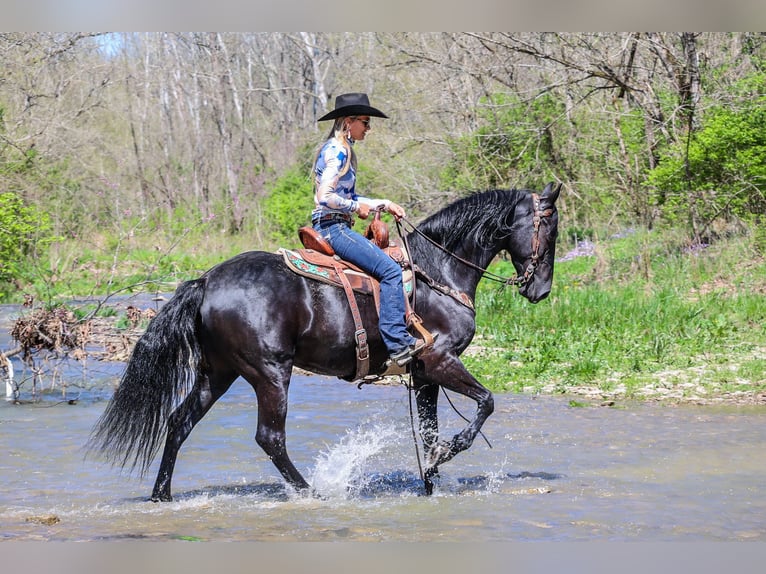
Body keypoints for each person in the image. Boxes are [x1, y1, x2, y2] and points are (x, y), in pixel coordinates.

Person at [311, 92, 427, 366]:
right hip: (334, 227)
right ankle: (397, 343)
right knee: (389, 270)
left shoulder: (341, 149)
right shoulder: (337, 150)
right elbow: (325, 197)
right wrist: (354, 209)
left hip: (334, 224)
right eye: (365, 121)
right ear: (348, 121)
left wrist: (383, 204)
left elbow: (349, 196)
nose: (368, 127)